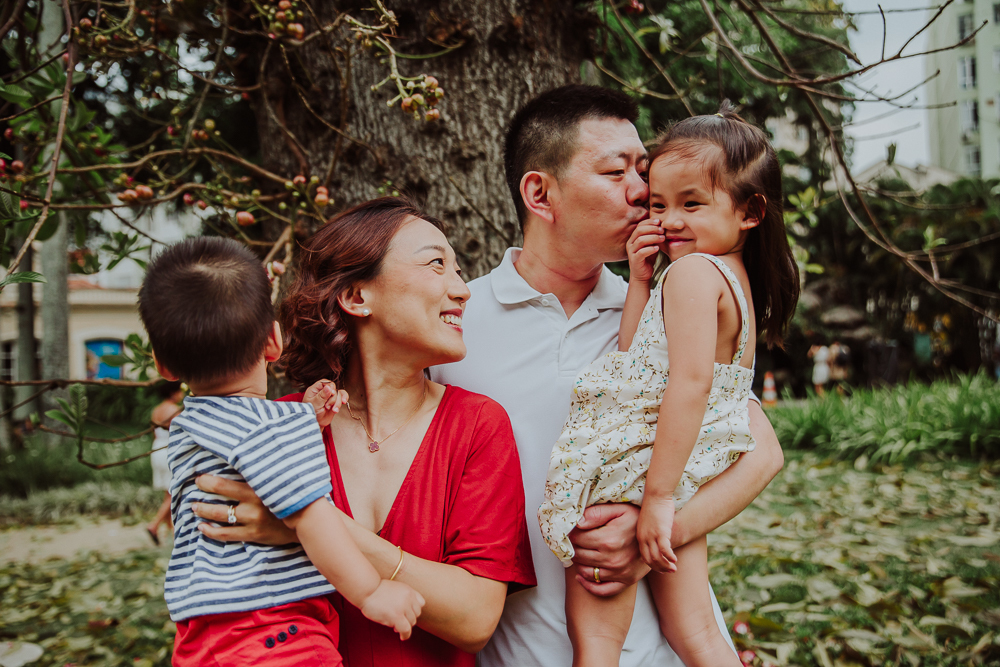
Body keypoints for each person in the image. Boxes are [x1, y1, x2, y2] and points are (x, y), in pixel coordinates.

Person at [429, 85, 785, 667]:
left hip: (663, 649)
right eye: (617, 170)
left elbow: (761, 452)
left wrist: (648, 536)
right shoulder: (455, 325)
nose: (644, 191)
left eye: (643, 169)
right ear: (540, 193)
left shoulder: (660, 315)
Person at [190, 199, 536, 667]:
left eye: (458, 270)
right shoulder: (275, 428)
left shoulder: (476, 425)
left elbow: (475, 619)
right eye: (437, 264)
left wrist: (305, 527)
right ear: (357, 297)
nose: (462, 290)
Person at [538, 104, 799, 666]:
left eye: (692, 204)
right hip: (685, 470)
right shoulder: (731, 280)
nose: (671, 219)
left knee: (596, 642)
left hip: (641, 467)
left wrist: (656, 497)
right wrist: (638, 280)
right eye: (659, 205)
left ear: (751, 211)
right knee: (699, 635)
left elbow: (688, 384)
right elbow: (636, 360)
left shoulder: (694, 274)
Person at [138, 236, 424, 666]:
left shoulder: (188, 426)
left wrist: (303, 419)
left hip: (201, 636)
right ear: (274, 342)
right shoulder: (270, 428)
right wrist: (373, 591)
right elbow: (310, 514)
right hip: (273, 629)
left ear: (163, 364)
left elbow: (242, 454)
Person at [145, 380, 184, 546]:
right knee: (173, 493)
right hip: (169, 449)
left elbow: (154, 433)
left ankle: (171, 531)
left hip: (157, 449)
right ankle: (153, 525)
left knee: (166, 492)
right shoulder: (174, 410)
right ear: (173, 392)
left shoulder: (156, 410)